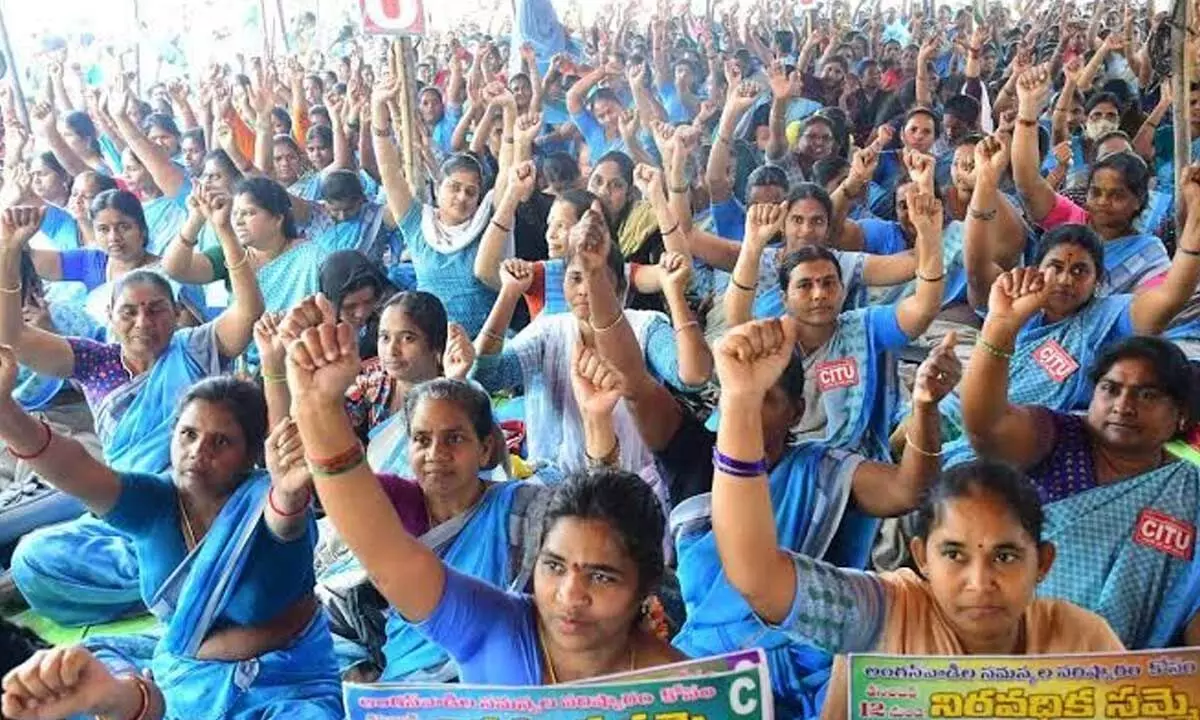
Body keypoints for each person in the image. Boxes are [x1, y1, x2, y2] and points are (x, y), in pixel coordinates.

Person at [705, 318, 1124, 720]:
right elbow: (757, 576)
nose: (979, 582)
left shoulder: (1081, 641)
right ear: (922, 557)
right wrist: (741, 401)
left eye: (1007, 556)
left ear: (1043, 563)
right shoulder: (885, 615)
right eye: (955, 554)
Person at [283, 301, 686, 684]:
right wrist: (316, 406)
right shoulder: (496, 630)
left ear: (644, 587)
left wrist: (597, 421)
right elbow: (388, 554)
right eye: (553, 567)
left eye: (601, 577)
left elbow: (601, 524)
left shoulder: (685, 683)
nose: (570, 596)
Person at [0, 371, 342, 719]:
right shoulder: (156, 501)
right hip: (182, 671)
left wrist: (286, 490)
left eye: (221, 442)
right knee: (76, 672)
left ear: (251, 453)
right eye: (188, 434)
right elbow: (75, 468)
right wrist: (5, 411)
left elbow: (284, 518)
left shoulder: (261, 501)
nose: (198, 451)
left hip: (284, 682)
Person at [0, 201, 263, 626]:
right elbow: (10, 335)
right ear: (110, 317)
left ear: (176, 314)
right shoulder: (93, 360)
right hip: (126, 509)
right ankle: (170, 587)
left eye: (157, 309)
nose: (144, 320)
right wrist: (10, 251)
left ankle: (179, 578)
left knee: (222, 539)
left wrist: (224, 233)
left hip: (200, 506)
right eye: (130, 311)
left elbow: (248, 312)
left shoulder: (196, 346)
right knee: (34, 557)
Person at [960, 267, 1200, 649]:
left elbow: (1190, 599)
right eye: (1111, 389)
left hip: (1121, 677)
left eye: (1147, 395)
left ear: (1181, 415)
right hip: (1005, 646)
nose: (1124, 406)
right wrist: (1000, 329)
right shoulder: (1057, 436)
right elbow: (986, 428)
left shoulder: (1189, 490)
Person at [472, 207, 707, 489]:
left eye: (598, 277)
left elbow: (691, 377)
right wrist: (510, 293)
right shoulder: (549, 331)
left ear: (619, 290)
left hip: (632, 485)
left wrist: (674, 292)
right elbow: (487, 375)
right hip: (555, 486)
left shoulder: (646, 327)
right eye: (575, 278)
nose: (584, 289)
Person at [372, 75, 515, 336]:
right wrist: (378, 110)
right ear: (438, 188)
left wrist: (509, 109)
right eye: (454, 188)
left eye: (471, 192)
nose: (462, 197)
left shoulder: (487, 222)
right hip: (434, 347)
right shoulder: (417, 223)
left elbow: (507, 171)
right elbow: (389, 171)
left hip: (487, 344)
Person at [1012, 66, 1170, 294]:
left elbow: (1152, 307)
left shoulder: (1148, 254)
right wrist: (1027, 110)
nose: (1103, 202)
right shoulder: (1072, 220)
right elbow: (1027, 183)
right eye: (1096, 192)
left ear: (1139, 200)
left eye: (1117, 195)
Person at [317, 251, 395, 360]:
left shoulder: (391, 317)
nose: (361, 313)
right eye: (350, 306)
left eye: (368, 301)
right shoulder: (318, 333)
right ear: (330, 303)